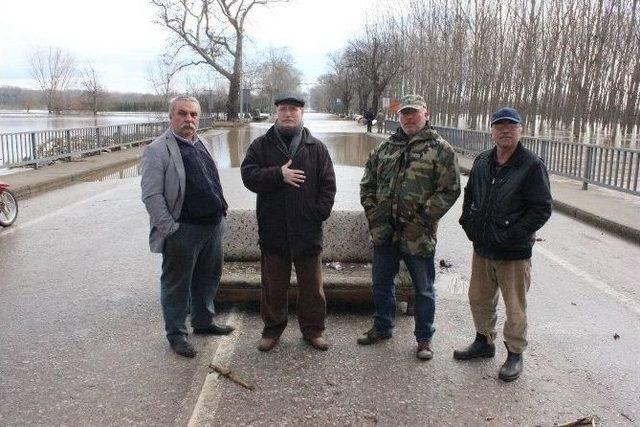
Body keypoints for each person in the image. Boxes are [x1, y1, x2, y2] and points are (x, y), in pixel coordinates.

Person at [358, 94, 461, 360]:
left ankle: (424, 338)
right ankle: (383, 327)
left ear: (426, 114)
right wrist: (375, 217)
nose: (409, 118)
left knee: (423, 289)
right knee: (381, 284)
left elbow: (449, 190)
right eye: (404, 113)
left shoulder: (440, 149)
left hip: (418, 235)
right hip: (385, 233)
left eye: (414, 113)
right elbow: (367, 184)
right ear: (399, 117)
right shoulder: (385, 148)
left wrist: (423, 220)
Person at [454, 107, 552, 381]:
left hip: (514, 252)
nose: (505, 130)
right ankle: (483, 342)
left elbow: (541, 209)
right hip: (483, 247)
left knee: (514, 307)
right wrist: (468, 223)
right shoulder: (483, 160)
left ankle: (515, 354)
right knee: (479, 298)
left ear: (521, 130)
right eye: (499, 126)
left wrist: (512, 235)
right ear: (492, 130)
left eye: (511, 125)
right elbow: (470, 194)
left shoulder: (531, 165)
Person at [241, 94, 336, 352]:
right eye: (283, 109)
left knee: (312, 289)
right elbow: (248, 176)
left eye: (293, 109)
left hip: (307, 231)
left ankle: (313, 330)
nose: (288, 114)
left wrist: (318, 214)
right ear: (276, 114)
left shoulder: (316, 148)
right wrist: (278, 174)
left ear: (302, 114)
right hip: (274, 230)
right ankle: (272, 330)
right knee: (273, 287)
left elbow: (328, 186)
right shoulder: (261, 146)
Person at [141, 95, 234, 358]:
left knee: (207, 279)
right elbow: (151, 196)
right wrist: (171, 229)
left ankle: (203, 322)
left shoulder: (201, 142)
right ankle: (177, 335)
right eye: (182, 114)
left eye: (193, 115)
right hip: (183, 230)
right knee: (176, 285)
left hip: (212, 227)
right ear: (171, 117)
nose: (189, 119)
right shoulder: (158, 150)